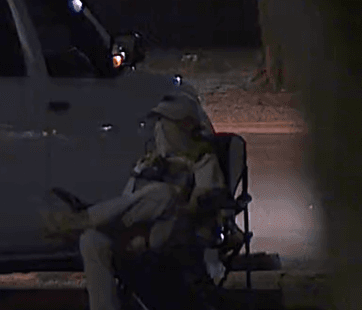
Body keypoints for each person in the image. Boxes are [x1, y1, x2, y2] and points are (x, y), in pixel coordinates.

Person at [43, 92, 227, 310]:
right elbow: (128, 201)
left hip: (176, 234)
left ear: (184, 126)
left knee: (163, 194)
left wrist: (176, 186)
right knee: (92, 240)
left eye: (166, 123)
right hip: (141, 231)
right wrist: (142, 173)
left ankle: (80, 219)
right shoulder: (153, 160)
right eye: (159, 122)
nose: (160, 128)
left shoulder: (203, 159)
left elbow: (203, 204)